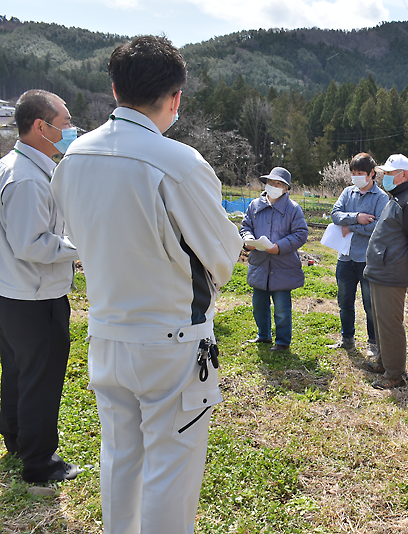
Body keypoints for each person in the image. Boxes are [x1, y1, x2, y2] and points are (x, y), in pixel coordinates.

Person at [51, 36, 243, 533]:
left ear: (114, 88)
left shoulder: (72, 159)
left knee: (119, 460)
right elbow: (221, 257)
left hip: (107, 332)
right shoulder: (179, 163)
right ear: (175, 97)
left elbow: (76, 237)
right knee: (170, 472)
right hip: (171, 342)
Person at [0, 90, 81, 483]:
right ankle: (40, 463)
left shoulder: (15, 166)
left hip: (14, 293)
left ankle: (17, 438)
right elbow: (31, 244)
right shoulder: (27, 179)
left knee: (18, 372)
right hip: (35, 296)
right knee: (42, 378)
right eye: (65, 123)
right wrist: (81, 248)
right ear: (40, 127)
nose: (69, 130)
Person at [363, 154, 408, 390]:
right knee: (381, 320)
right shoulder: (399, 197)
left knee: (390, 323)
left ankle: (395, 374)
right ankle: (383, 362)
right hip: (382, 270)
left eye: (389, 174)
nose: (384, 177)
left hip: (391, 272)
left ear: (403, 175)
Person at [327, 153, 389, 356]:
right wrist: (357, 218)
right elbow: (335, 215)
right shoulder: (347, 192)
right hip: (345, 257)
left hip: (367, 259)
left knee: (370, 304)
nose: (356, 177)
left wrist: (351, 227)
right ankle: (347, 339)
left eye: (360, 173)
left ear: (372, 173)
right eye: (353, 173)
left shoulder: (381, 198)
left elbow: (378, 227)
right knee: (344, 301)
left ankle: (373, 343)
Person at [241, 167, 309, 352]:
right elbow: (245, 226)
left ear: (286, 189)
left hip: (283, 266)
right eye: (271, 183)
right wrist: (247, 240)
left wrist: (279, 247)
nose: (273, 187)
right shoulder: (254, 205)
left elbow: (301, 234)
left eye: (278, 184)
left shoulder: (293, 209)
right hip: (260, 264)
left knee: (281, 309)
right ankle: (263, 336)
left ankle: (282, 342)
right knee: (259, 305)